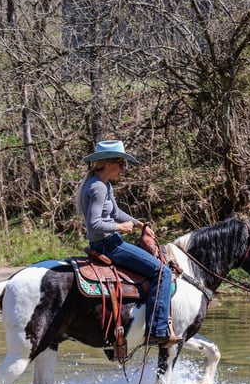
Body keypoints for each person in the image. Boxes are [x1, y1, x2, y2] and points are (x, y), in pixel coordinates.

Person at [76, 139, 180, 345]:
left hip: (110, 242)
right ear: (107, 163)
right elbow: (94, 223)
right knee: (162, 272)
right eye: (121, 164)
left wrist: (139, 225)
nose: (124, 169)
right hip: (109, 245)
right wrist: (119, 227)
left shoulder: (103, 185)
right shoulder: (97, 188)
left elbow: (115, 212)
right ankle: (157, 329)